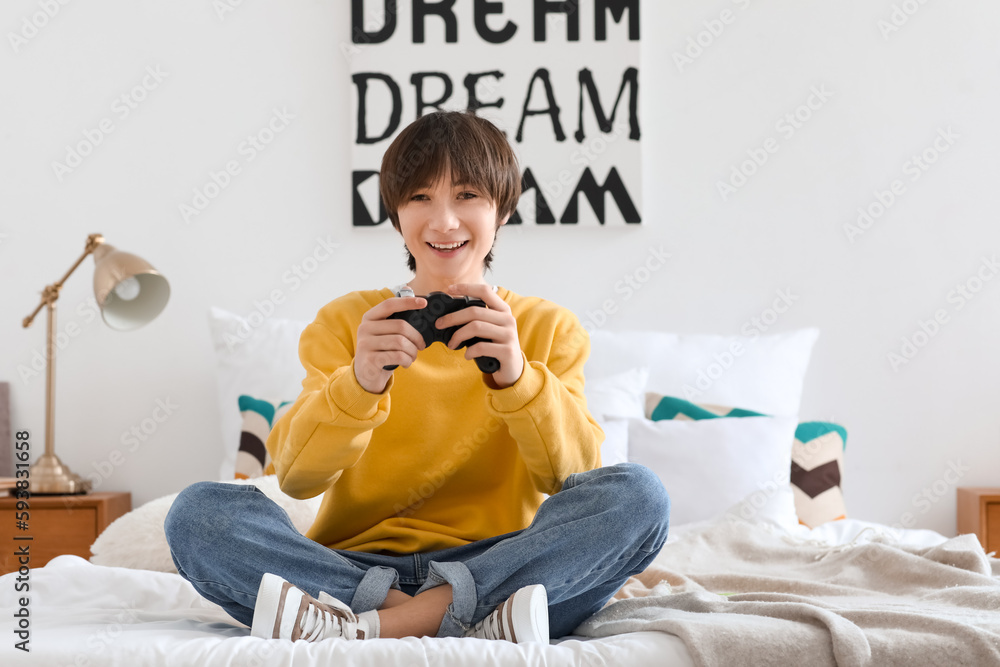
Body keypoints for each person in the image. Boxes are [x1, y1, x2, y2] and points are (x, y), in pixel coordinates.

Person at [164, 110, 669, 644]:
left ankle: (369, 629)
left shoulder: (546, 328)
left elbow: (571, 476)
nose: (444, 221)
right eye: (421, 197)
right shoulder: (346, 322)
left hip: (498, 562)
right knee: (199, 513)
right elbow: (296, 477)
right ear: (397, 215)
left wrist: (518, 379)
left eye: (468, 195)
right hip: (355, 569)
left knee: (639, 495)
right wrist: (359, 383)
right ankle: (454, 619)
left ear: (502, 210)